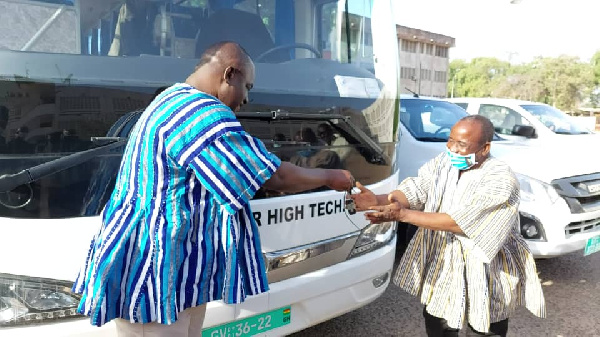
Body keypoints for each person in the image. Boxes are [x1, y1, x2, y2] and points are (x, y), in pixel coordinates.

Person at [72, 41, 353, 336]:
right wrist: (330, 176)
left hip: (172, 271)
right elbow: (273, 177)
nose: (246, 99)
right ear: (230, 73)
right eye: (248, 86)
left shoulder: (172, 97)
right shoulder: (201, 114)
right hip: (154, 273)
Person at [350, 115, 545, 337]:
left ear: (485, 148)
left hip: (484, 269)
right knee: (437, 323)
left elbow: (460, 222)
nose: (452, 148)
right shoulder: (444, 162)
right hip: (443, 264)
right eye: (450, 140)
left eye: (461, 144)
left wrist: (402, 215)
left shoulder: (500, 178)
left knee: (484, 325)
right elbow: (417, 189)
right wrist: (379, 199)